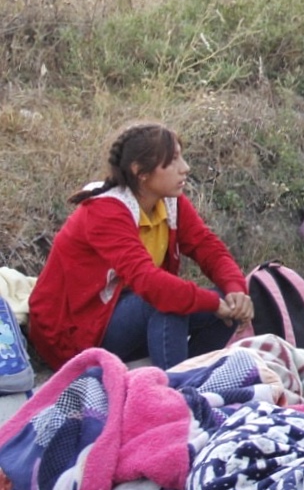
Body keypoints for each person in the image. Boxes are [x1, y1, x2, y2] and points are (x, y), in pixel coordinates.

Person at [29, 123, 252, 370]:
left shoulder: (168, 201)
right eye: (173, 160)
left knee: (224, 303)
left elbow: (208, 247)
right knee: (167, 301)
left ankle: (196, 379)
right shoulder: (106, 212)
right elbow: (149, 282)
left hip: (120, 315)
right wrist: (208, 302)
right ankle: (173, 395)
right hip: (73, 334)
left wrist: (235, 290)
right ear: (140, 172)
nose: (185, 168)